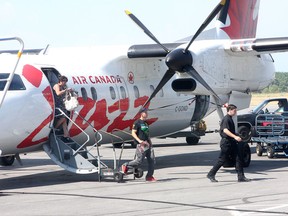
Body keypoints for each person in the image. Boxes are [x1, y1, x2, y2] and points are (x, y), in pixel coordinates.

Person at [207, 104, 250, 183]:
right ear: (230, 110)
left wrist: (236, 135)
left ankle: (241, 177)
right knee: (222, 160)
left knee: (238, 158)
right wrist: (235, 137)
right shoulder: (226, 119)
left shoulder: (230, 118)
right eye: (234, 110)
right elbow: (225, 130)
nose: (236, 112)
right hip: (226, 142)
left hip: (231, 142)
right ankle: (211, 174)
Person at [121, 108, 156, 182]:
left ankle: (149, 176)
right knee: (139, 161)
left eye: (147, 112)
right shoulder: (137, 122)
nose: (146, 114)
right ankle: (126, 165)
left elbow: (147, 134)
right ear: (141, 113)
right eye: (145, 112)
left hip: (148, 144)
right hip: (141, 145)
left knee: (152, 160)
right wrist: (140, 141)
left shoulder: (146, 123)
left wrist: (150, 142)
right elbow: (133, 133)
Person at [53, 75, 71, 142]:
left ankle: (66, 135)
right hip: (57, 105)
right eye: (64, 81)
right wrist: (65, 90)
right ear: (61, 81)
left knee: (65, 120)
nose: (65, 83)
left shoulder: (63, 86)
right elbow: (58, 93)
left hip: (62, 104)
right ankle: (55, 128)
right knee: (63, 118)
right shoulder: (56, 86)